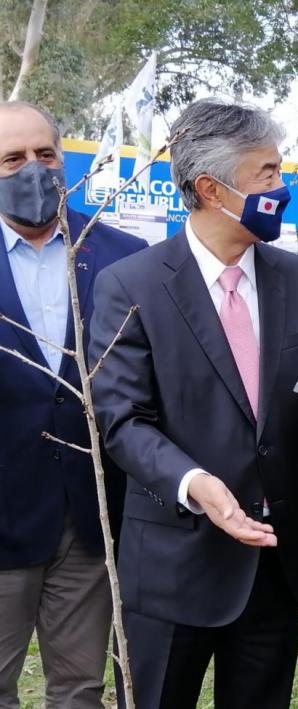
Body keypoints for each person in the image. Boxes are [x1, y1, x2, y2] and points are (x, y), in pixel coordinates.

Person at [89, 98, 298, 709]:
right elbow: (123, 422)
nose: (282, 189)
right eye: (268, 174)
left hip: (276, 563)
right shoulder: (129, 286)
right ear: (211, 188)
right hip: (173, 564)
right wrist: (196, 483)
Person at [0, 101, 146, 709]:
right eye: (12, 159)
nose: (33, 169)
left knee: (81, 690)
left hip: (91, 522)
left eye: (45, 154)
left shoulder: (122, 255)